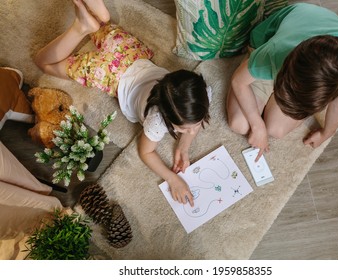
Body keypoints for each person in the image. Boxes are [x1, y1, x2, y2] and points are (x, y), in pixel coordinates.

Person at [34, 0, 211, 207]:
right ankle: (79, 28)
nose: (193, 131)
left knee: (102, 24)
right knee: (43, 63)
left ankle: (98, 19)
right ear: (165, 116)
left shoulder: (200, 90)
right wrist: (173, 179)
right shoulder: (156, 120)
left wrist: (184, 146)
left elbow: (190, 125)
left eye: (196, 123)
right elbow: (146, 152)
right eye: (185, 128)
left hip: (128, 51)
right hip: (108, 73)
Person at [226, 3, 338, 161]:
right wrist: (257, 125)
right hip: (281, 43)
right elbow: (239, 81)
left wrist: (326, 133)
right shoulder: (275, 50)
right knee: (239, 124)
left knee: (276, 130)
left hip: (305, 50)